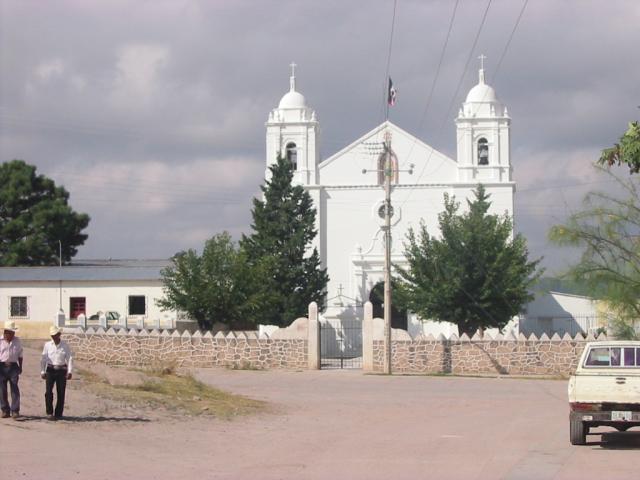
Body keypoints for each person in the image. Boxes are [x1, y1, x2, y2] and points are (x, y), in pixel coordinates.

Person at [40, 325, 73, 420]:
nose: (54, 337)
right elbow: (43, 359)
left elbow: (69, 358)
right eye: (52, 335)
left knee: (61, 392)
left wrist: (69, 371)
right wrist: (42, 371)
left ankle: (58, 413)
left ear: (59, 334)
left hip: (62, 370)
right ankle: (49, 412)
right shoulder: (47, 345)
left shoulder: (65, 345)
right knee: (48, 392)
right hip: (50, 370)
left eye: (55, 335)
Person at [0, 321, 24, 419]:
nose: (11, 334)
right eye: (9, 332)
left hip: (13, 367)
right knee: (2, 390)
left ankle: (15, 411)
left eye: (12, 333)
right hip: (1, 366)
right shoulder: (0, 341)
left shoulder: (17, 341)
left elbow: (20, 355)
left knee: (14, 388)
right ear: (5, 332)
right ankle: (5, 410)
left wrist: (20, 367)